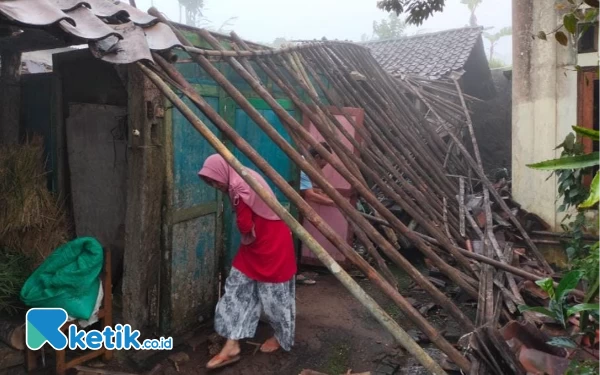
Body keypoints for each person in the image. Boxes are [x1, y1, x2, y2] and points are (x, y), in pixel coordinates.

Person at [198, 154, 297, 370]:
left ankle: (282, 336)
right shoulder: (241, 176)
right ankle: (231, 345)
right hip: (256, 245)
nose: (215, 185)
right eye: (210, 182)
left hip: (272, 245)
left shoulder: (239, 186)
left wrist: (244, 228)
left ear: (222, 172)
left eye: (214, 180)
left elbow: (244, 223)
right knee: (237, 290)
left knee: (274, 297)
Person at [296, 142, 335, 285]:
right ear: (318, 157)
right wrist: (333, 203)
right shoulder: (303, 166)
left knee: (297, 237)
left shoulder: (302, 161)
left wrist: (319, 192)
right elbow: (309, 195)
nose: (325, 165)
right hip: (291, 209)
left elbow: (305, 188)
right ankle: (296, 274)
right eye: (325, 161)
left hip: (293, 206)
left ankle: (297, 271)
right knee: (296, 238)